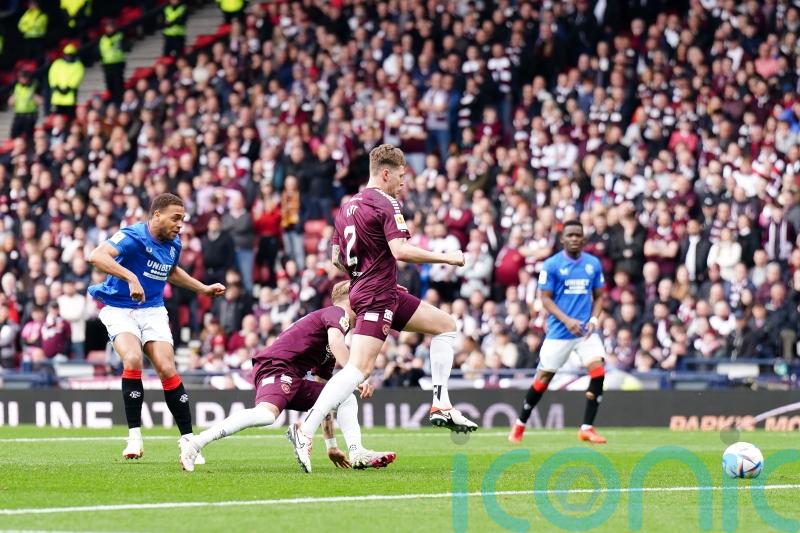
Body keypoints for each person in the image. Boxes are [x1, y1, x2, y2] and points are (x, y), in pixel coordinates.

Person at [287, 144, 477, 474]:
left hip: (378, 289)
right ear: (386, 173)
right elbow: (400, 250)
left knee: (446, 325)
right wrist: (447, 257)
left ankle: (441, 404)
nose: (403, 183)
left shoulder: (346, 208)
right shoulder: (386, 201)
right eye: (401, 176)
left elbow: (337, 259)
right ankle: (304, 429)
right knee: (357, 371)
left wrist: (374, 273)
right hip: (376, 294)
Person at [179, 281, 395, 472]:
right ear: (351, 298)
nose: (365, 305)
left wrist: (331, 446)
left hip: (291, 376)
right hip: (276, 367)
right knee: (266, 415)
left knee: (345, 397)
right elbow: (337, 343)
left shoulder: (330, 337)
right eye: (362, 297)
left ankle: (356, 452)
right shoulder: (336, 314)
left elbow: (327, 396)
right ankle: (195, 443)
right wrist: (358, 374)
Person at [87, 193, 226, 461]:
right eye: (176, 218)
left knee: (167, 368)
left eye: (183, 220)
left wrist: (203, 289)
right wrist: (130, 278)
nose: (180, 225)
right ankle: (134, 438)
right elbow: (97, 256)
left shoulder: (174, 243)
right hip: (119, 307)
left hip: (151, 309)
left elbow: (171, 271)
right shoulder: (132, 236)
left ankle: (188, 442)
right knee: (133, 358)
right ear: (157, 215)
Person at [508, 220, 609, 444]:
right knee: (543, 378)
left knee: (598, 370)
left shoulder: (593, 264)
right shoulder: (552, 265)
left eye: (578, 235)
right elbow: (545, 298)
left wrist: (593, 318)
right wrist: (567, 320)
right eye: (570, 235)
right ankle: (520, 424)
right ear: (563, 239)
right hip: (559, 333)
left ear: (583, 239)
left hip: (584, 332)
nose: (574, 238)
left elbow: (600, 295)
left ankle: (587, 427)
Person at [48, 43, 84, 119]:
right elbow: (52, 75)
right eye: (67, 54)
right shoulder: (57, 63)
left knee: (70, 117)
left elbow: (77, 77)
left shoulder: (78, 65)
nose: (68, 56)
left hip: (70, 96)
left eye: (70, 55)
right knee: (58, 117)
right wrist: (55, 86)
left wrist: (69, 87)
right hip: (57, 97)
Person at [99, 19, 126, 105]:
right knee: (109, 85)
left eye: (110, 27)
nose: (109, 29)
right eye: (107, 27)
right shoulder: (103, 38)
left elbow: (124, 46)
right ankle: (112, 102)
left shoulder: (119, 36)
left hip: (117, 63)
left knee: (118, 85)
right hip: (107, 64)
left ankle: (119, 101)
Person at [8, 70, 41, 139]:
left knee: (28, 136)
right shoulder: (16, 86)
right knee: (14, 135)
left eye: (23, 78)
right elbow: (11, 102)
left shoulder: (34, 86)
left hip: (30, 115)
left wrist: (34, 96)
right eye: (20, 78)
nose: (21, 80)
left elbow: (40, 101)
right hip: (19, 114)